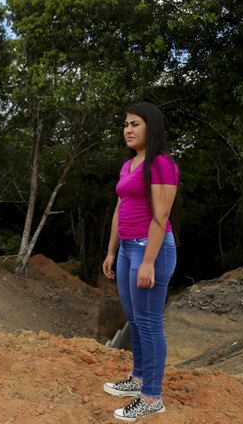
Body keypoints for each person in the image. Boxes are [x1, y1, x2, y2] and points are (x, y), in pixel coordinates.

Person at [101, 102, 179, 422]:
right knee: (134, 320)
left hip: (151, 250)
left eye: (135, 124)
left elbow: (161, 216)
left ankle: (151, 397)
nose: (128, 130)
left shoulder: (162, 164)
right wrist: (111, 251)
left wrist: (148, 261)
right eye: (126, 124)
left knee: (149, 323)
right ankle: (139, 378)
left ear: (151, 127)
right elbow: (120, 209)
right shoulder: (129, 164)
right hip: (127, 249)